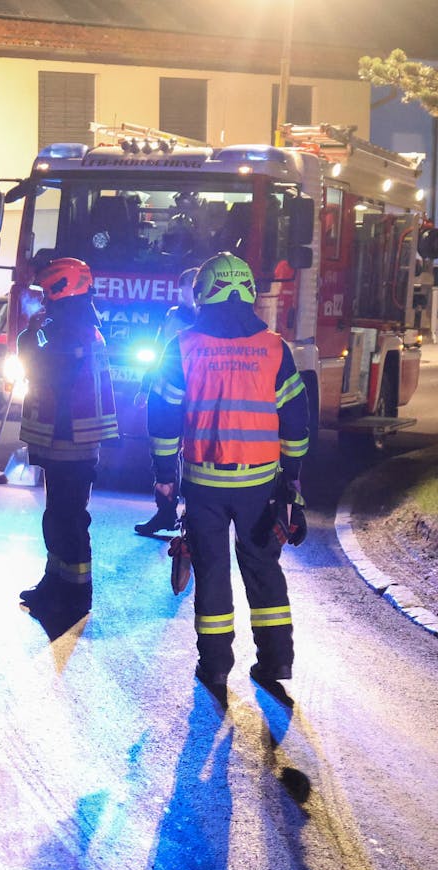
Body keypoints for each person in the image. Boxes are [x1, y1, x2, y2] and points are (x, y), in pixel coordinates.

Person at [147, 252, 310, 697]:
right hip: (260, 484)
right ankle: (276, 660)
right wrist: (291, 480)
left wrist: (165, 476)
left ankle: (216, 667)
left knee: (213, 571)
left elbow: (162, 417)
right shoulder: (274, 348)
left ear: (203, 294)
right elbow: (295, 421)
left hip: (204, 485)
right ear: (249, 294)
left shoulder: (182, 346)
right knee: (263, 570)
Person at [16, 257, 119, 619]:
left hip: (71, 440)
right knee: (58, 516)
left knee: (69, 518)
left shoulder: (71, 328)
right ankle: (55, 582)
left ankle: (75, 593)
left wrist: (29, 335)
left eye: (47, 290)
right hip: (65, 438)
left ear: (61, 286)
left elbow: (41, 368)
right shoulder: (75, 323)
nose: (43, 298)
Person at [134, 266, 201, 536]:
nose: (185, 292)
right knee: (164, 455)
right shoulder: (173, 316)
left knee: (192, 457)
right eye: (183, 287)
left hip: (196, 397)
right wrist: (145, 385)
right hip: (169, 392)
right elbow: (160, 351)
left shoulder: (207, 320)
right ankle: (165, 513)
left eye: (189, 286)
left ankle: (192, 519)